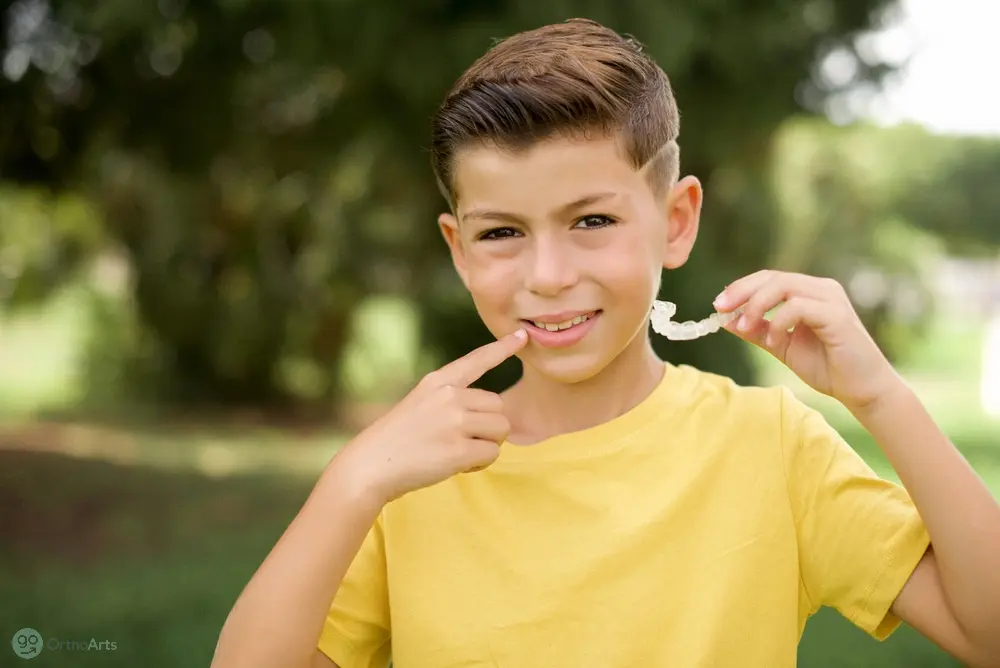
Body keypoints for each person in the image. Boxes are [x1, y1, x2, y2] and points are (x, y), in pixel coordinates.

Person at [211, 19, 1000, 668]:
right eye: (501, 233)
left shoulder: (771, 446)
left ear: (677, 222)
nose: (548, 274)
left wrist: (881, 398)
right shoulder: (409, 477)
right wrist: (350, 485)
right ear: (458, 248)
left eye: (592, 221)